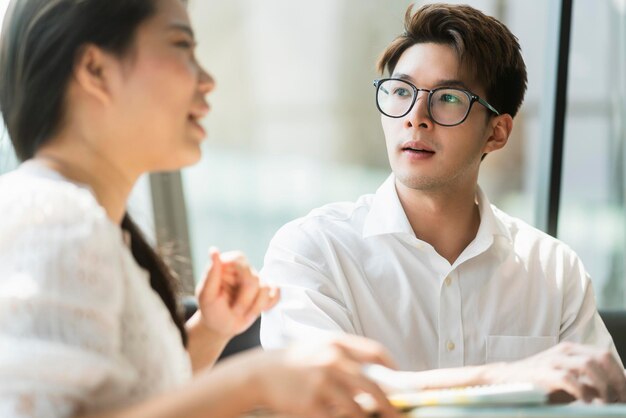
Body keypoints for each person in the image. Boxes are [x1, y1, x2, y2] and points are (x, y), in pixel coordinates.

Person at [0, 1, 401, 417]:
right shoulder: (52, 220)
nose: (207, 80)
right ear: (96, 70)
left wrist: (210, 332)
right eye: (181, 45)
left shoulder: (78, 224)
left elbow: (125, 403)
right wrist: (255, 378)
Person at [260, 2, 626, 403]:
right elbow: (323, 394)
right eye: (400, 91)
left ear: (497, 133)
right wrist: (509, 377)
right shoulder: (313, 251)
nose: (415, 116)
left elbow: (605, 400)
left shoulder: (554, 271)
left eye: (448, 98)